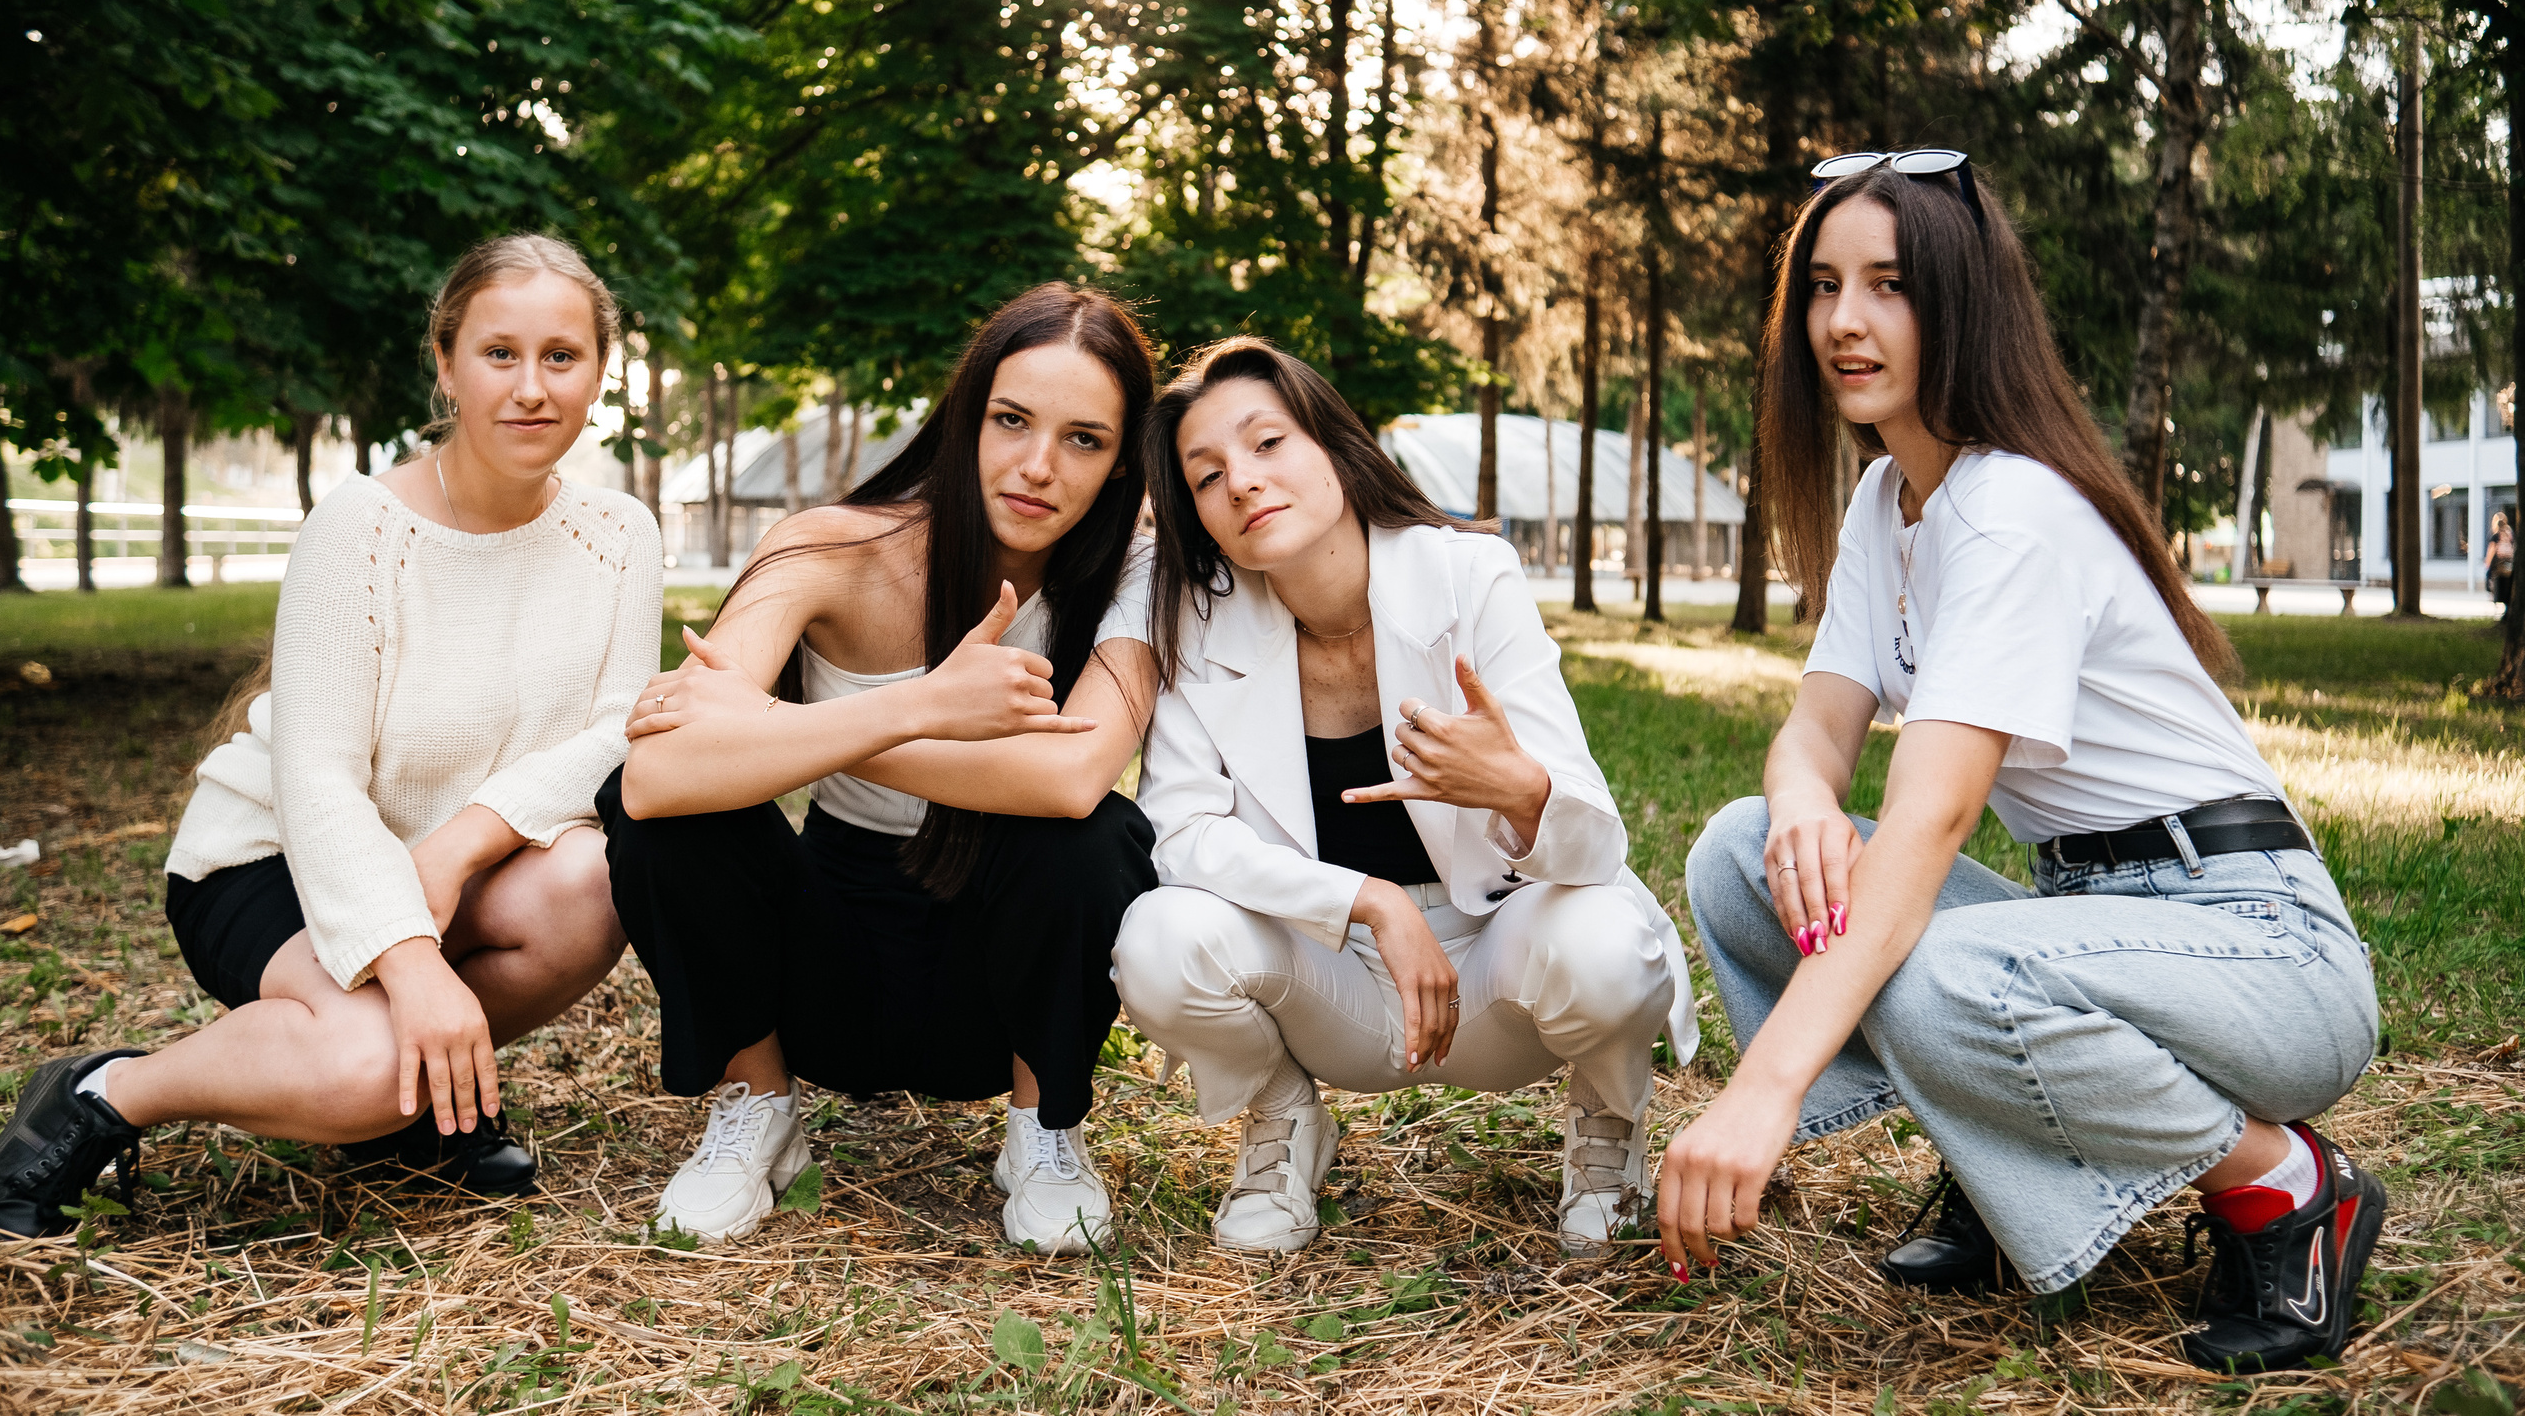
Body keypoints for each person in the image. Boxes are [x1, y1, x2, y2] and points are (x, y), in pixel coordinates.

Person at [1662, 150, 2384, 1375]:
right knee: (1743, 854)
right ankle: (2008, 1172)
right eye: (1824, 287)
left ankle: (2286, 1182)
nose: (1844, 321)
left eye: (1889, 285)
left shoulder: (2013, 511)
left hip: (2262, 954)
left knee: (1934, 963)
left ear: (1961, 305)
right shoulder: (1890, 497)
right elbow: (1816, 729)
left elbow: (1929, 824)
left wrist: (1760, 1090)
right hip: (2097, 925)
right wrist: (1798, 807)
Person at [0, 236, 659, 1241]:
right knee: (363, 1066)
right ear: (446, 362)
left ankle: (411, 1109)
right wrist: (412, 963)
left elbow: (614, 732)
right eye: (499, 354)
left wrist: (463, 842)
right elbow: (319, 784)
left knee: (591, 883)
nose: (531, 387)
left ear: (599, 371)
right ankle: (103, 1092)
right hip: (276, 859)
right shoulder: (362, 526)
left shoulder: (619, 534)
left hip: (452, 863)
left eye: (563, 356)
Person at [601, 284, 1160, 1253]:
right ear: (962, 421)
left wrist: (793, 722)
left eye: (1083, 440)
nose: (1037, 467)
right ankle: (756, 1107)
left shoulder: (1137, 576)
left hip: (1001, 981)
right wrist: (919, 704)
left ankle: (1044, 1130)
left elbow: (1074, 779)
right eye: (1012, 422)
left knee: (1097, 838)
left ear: (1119, 465)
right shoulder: (827, 548)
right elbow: (655, 782)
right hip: (822, 962)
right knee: (666, 815)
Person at [1113, 339, 1697, 1257]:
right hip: (1334, 977)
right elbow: (1180, 833)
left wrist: (1520, 789)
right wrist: (1367, 901)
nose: (1243, 481)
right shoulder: (1195, 619)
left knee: (1607, 948)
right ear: (1199, 515)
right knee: (1157, 939)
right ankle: (1281, 1121)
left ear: (1335, 446)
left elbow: (1596, 846)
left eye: (1268, 442)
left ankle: (1607, 1122)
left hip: (1502, 969)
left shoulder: (1469, 577)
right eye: (1208, 472)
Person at [2487, 510, 2513, 605]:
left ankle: (2493, 595)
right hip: (2509, 560)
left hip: (2498, 562)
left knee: (2490, 576)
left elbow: (2492, 549)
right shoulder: (2509, 533)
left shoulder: (2496, 535)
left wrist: (2488, 562)